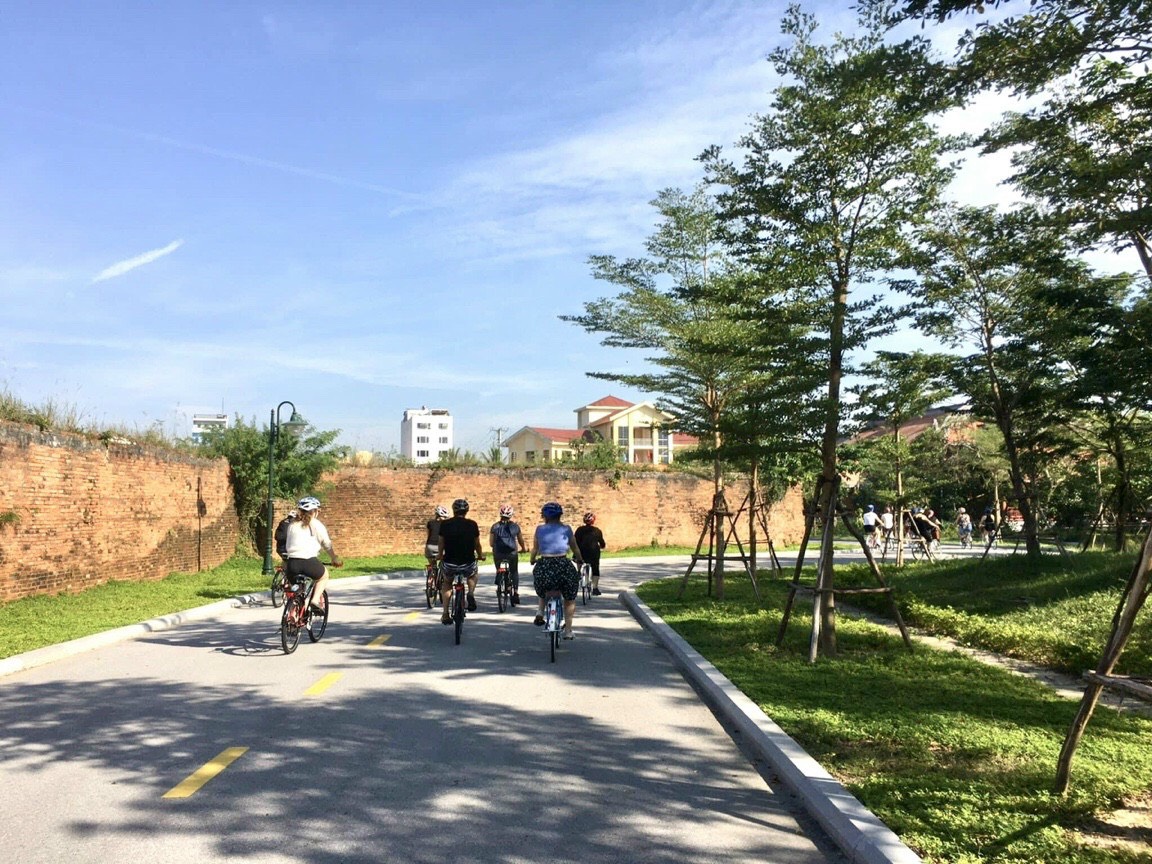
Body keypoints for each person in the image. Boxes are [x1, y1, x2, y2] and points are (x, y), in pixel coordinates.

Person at [530, 502, 583, 640]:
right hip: (563, 565)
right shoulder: (566, 529)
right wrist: (580, 559)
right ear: (560, 516)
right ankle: (568, 630)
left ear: (545, 516)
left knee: (542, 585)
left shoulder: (539, 529)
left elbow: (535, 549)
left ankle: (540, 611)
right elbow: (575, 548)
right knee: (570, 598)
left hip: (545, 565)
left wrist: (532, 560)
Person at [283, 496, 342, 614]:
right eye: (317, 510)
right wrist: (334, 558)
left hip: (291, 564)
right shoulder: (315, 523)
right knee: (323, 576)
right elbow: (326, 543)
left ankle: (292, 615)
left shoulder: (292, 524)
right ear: (313, 511)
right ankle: (314, 600)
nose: (318, 513)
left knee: (297, 592)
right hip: (308, 561)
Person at [437, 498, 484, 624]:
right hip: (468, 562)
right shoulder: (472, 524)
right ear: (466, 511)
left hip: (449, 562)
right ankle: (471, 593)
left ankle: (445, 613)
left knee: (447, 583)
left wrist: (440, 555)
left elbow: (441, 542)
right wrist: (480, 555)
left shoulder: (445, 524)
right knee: (473, 574)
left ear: (453, 510)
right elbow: (477, 544)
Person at [489, 503, 527, 605]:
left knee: (499, 568)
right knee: (514, 571)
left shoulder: (494, 526)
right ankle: (516, 592)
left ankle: (499, 578)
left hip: (498, 554)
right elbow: (521, 540)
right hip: (512, 553)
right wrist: (523, 549)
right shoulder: (515, 526)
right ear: (511, 515)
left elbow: (491, 543)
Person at [574, 511, 606, 596]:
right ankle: (595, 588)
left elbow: (575, 541)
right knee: (595, 568)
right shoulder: (597, 531)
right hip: (593, 553)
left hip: (582, 552)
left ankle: (578, 571)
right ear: (593, 521)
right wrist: (602, 546)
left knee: (578, 557)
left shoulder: (579, 530)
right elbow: (602, 543)